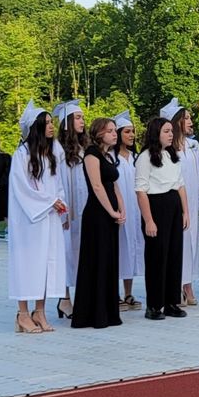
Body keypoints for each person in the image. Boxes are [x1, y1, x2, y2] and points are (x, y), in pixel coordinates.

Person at [8, 101, 65, 333]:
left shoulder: (50, 154)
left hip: (49, 217)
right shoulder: (21, 156)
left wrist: (60, 202)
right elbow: (23, 189)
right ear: (37, 128)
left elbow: (58, 184)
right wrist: (50, 202)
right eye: (47, 123)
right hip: (28, 221)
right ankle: (23, 313)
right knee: (28, 264)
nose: (52, 126)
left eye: (52, 122)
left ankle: (39, 311)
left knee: (46, 263)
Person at [71, 118, 125, 329]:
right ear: (99, 133)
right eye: (110, 131)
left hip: (111, 214)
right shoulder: (91, 154)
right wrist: (111, 210)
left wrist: (122, 208)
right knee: (98, 260)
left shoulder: (107, 156)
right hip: (97, 215)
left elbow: (114, 185)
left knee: (110, 260)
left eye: (115, 131)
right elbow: (97, 185)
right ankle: (94, 313)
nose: (114, 134)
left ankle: (110, 311)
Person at [136, 117, 189, 320]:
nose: (170, 134)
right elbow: (141, 191)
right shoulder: (145, 157)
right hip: (156, 205)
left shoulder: (172, 155)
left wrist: (186, 212)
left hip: (174, 203)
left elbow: (180, 185)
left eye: (171, 131)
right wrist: (148, 220)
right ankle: (154, 305)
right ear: (156, 133)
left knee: (175, 254)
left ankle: (171, 302)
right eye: (166, 131)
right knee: (157, 256)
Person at [166, 100, 199, 307]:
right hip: (176, 201)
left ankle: (188, 284)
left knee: (192, 243)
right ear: (176, 122)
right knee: (179, 244)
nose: (190, 121)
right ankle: (177, 285)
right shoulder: (168, 149)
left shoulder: (193, 146)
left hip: (193, 201)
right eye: (186, 118)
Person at [54, 99, 89, 319]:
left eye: (83, 117)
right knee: (66, 253)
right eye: (77, 117)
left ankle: (81, 297)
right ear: (67, 122)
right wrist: (64, 212)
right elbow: (57, 182)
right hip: (68, 211)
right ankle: (65, 299)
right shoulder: (57, 149)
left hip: (85, 209)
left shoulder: (84, 147)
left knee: (81, 253)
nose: (82, 121)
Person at [112, 110, 143, 311]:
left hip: (135, 209)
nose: (131, 135)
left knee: (132, 247)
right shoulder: (111, 158)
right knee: (118, 248)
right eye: (127, 132)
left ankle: (128, 292)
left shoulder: (136, 158)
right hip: (119, 209)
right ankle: (114, 294)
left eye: (133, 132)